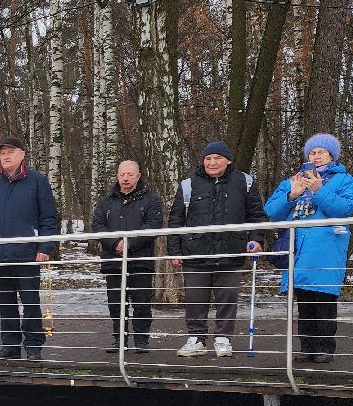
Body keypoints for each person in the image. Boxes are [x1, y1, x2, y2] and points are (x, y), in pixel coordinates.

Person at [263, 134, 353, 363]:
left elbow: (345, 208)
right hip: (298, 249)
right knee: (304, 301)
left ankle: (325, 348)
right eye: (312, 152)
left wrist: (319, 190)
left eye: (321, 152)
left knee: (325, 299)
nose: (316, 156)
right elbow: (271, 211)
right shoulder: (293, 180)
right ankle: (306, 348)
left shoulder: (345, 180)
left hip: (326, 249)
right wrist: (292, 194)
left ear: (332, 155)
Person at [168, 140, 266, 359]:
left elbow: (256, 216)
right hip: (196, 252)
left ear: (228, 160)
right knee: (195, 299)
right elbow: (176, 220)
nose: (212, 163)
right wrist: (175, 249)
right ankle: (196, 339)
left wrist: (257, 239)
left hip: (231, 251)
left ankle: (223, 339)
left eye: (217, 158)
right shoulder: (188, 185)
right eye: (208, 158)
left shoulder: (245, 182)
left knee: (227, 298)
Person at [0, 136, 58, 360]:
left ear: (22, 154)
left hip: (28, 254)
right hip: (0, 256)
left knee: (30, 303)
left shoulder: (37, 181)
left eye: (10, 151)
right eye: (2, 153)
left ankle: (33, 345)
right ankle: (10, 345)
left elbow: (49, 217)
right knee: (5, 304)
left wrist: (46, 246)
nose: (6, 156)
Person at [91, 160, 165, 353]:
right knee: (116, 303)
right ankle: (119, 340)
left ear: (138, 176)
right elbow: (98, 226)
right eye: (122, 174)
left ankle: (141, 341)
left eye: (130, 174)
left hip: (140, 261)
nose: (125, 178)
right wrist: (115, 243)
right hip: (113, 261)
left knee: (141, 302)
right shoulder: (105, 202)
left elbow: (153, 225)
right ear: (117, 175)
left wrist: (130, 243)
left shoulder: (151, 200)